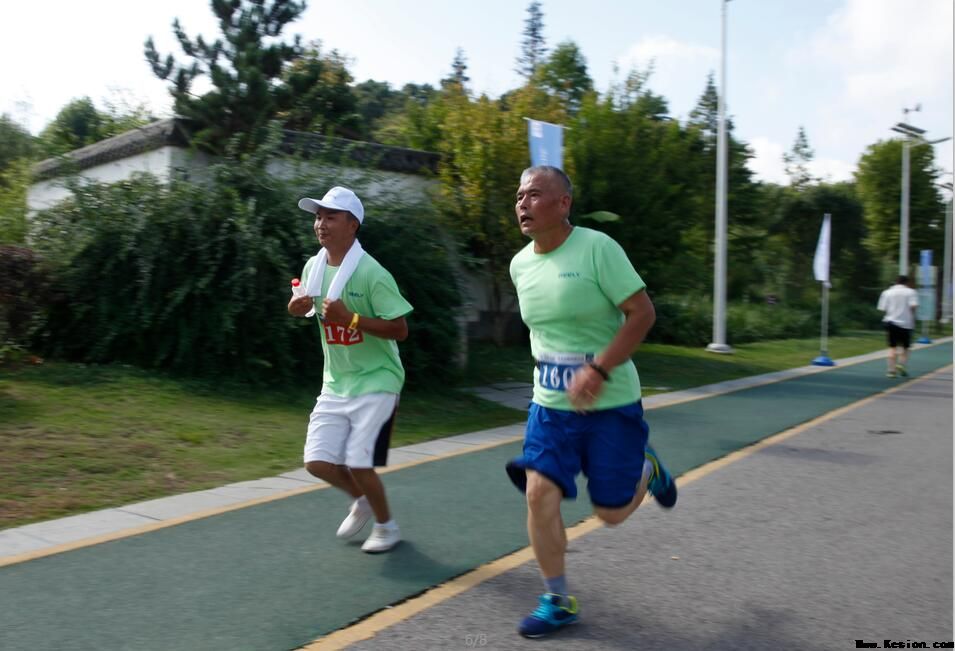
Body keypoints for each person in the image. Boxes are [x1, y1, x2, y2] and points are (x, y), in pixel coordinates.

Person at [504, 165, 677, 638]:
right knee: (539, 493)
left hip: (611, 404)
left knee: (611, 514)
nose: (522, 203)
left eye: (534, 195)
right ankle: (557, 599)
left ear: (563, 204)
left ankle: (649, 468)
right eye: (519, 195)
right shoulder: (520, 265)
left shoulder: (598, 248)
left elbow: (641, 314)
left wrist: (598, 369)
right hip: (549, 407)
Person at [288, 186, 413, 553]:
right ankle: (361, 500)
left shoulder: (372, 273)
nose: (321, 224)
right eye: (318, 217)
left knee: (359, 461)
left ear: (353, 224)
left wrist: (352, 318)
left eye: (331, 216)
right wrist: (295, 308)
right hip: (336, 382)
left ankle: (387, 527)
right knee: (317, 463)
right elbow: (302, 306)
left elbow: (400, 330)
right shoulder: (313, 266)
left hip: (378, 380)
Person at [877, 275, 919, 378]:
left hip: (890, 322)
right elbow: (913, 306)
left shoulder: (887, 292)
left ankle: (891, 370)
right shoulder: (911, 292)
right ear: (907, 283)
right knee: (905, 347)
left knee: (892, 347)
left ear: (896, 282)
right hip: (906, 323)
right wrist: (911, 316)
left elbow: (882, 308)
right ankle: (901, 364)